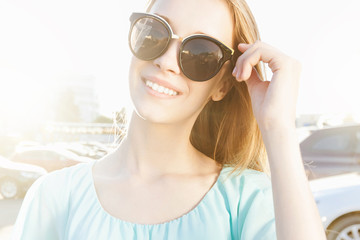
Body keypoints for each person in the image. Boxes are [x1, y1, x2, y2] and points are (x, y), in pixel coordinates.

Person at [13, 0, 327, 239]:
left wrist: (278, 128)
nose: (165, 62)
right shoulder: (54, 196)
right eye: (155, 33)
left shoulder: (248, 199)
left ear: (222, 85)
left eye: (200, 53)